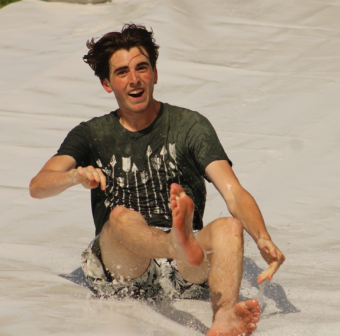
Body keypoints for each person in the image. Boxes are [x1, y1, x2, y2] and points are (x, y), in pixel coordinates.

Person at [29, 23, 285, 336]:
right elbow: (38, 186)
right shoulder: (91, 135)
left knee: (230, 228)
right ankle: (174, 244)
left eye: (142, 68)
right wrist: (73, 176)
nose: (134, 79)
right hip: (123, 268)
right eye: (122, 72)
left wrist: (261, 236)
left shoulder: (190, 126)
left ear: (155, 74)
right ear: (107, 84)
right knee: (120, 217)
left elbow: (233, 193)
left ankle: (223, 317)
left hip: (184, 271)